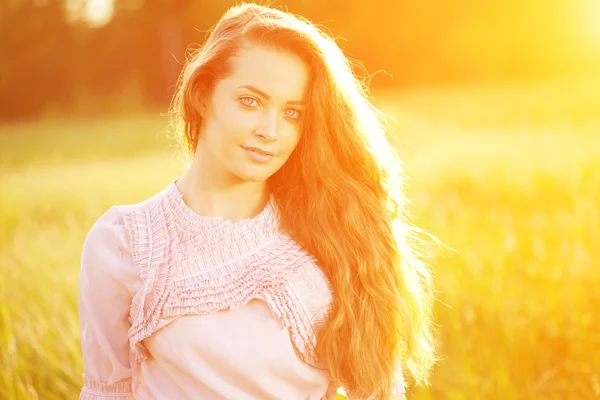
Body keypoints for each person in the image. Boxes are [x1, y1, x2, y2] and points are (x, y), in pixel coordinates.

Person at [77, 3, 436, 400]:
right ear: (201, 94)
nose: (270, 131)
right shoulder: (122, 245)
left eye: (292, 113)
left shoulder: (336, 234)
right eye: (250, 101)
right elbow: (107, 393)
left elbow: (381, 392)